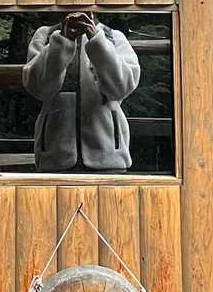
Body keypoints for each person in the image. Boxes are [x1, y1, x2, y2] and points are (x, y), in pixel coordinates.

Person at [23, 10, 141, 172]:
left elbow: (121, 88)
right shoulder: (45, 36)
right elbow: (39, 89)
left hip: (109, 160)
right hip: (55, 158)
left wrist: (97, 40)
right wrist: (62, 41)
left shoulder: (113, 37)